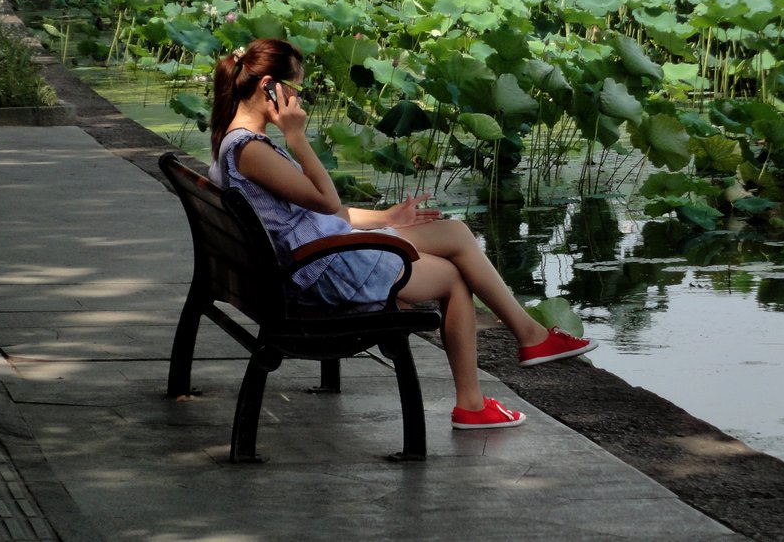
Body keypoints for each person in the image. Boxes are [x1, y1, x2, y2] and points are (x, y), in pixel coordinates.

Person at [209, 39, 597, 429]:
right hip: (324, 269)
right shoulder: (252, 151)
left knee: (456, 233)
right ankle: (476, 400)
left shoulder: (237, 143)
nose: (298, 99)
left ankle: (528, 339)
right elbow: (326, 203)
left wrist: (388, 217)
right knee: (454, 280)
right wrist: (297, 138)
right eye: (297, 88)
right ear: (270, 87)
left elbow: (317, 210)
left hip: (316, 255)